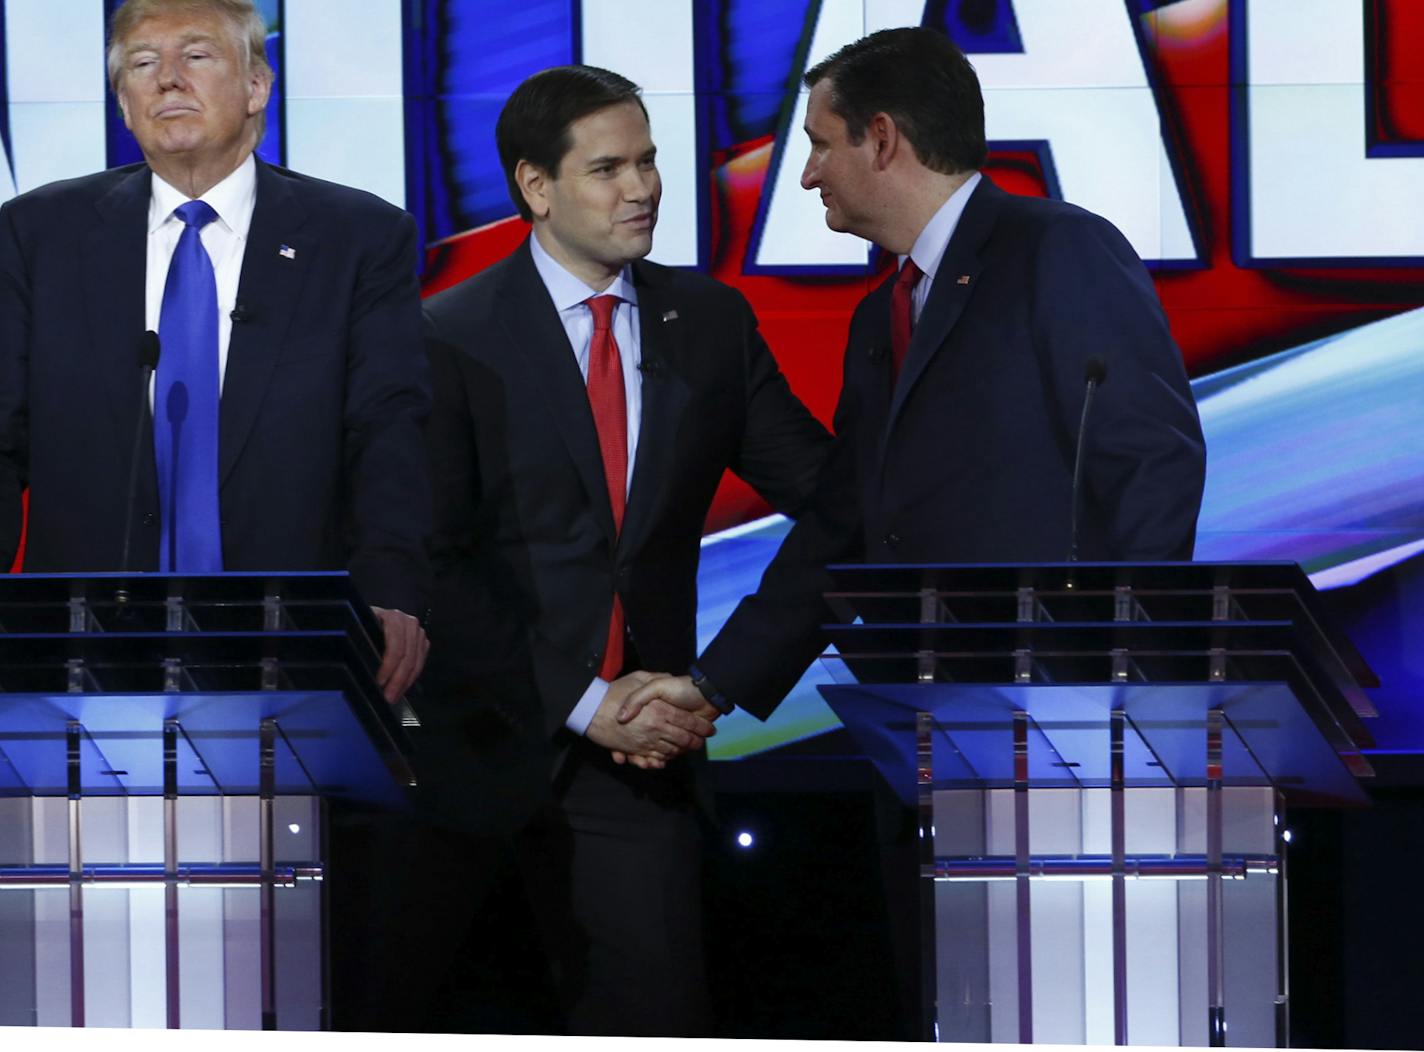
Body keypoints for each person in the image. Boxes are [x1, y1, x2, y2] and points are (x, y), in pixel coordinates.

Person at [622, 24, 1206, 735]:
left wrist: (1124, 681)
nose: (808, 174)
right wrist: (716, 681)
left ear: (882, 138)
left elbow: (1151, 464)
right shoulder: (880, 318)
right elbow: (848, 522)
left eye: (821, 143)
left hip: (1065, 717)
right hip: (927, 724)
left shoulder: (1054, 250)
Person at [415, 65, 831, 1036]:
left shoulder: (709, 323)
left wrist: (720, 677)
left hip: (642, 762)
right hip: (465, 755)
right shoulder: (445, 335)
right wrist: (581, 699)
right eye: (607, 168)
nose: (640, 187)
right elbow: (428, 562)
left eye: (646, 161)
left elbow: (834, 504)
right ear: (534, 185)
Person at [0, 0, 431, 699]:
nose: (167, 79)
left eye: (196, 56)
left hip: (291, 642)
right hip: (83, 652)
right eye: (142, 64)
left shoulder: (357, 238)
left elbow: (388, 431)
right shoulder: (36, 235)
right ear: (124, 104)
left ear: (258, 85)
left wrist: (392, 592)